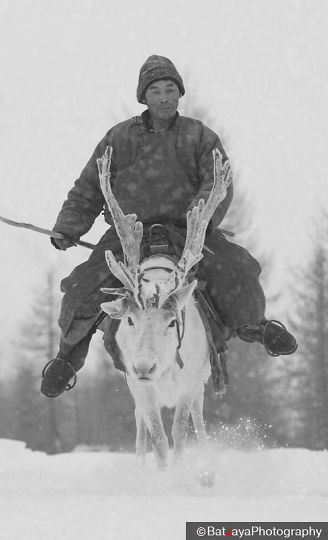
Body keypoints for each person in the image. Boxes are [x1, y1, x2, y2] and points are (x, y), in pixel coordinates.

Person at [40, 55, 297, 398]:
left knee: (237, 270)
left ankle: (254, 326)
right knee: (81, 287)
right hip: (128, 235)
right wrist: (68, 228)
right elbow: (89, 188)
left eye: (170, 89)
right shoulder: (118, 138)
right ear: (143, 97)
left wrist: (198, 218)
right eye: (156, 91)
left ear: (179, 94)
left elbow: (218, 182)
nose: (163, 97)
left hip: (187, 233)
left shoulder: (200, 136)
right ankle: (67, 359)